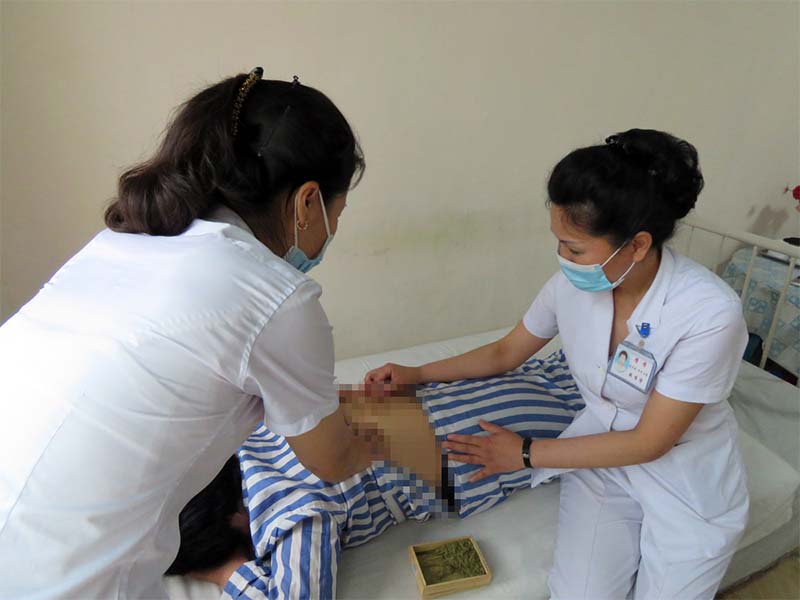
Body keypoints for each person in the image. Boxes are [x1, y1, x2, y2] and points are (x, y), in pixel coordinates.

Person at [0, 68, 374, 598]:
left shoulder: (118, 244)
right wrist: (391, 435)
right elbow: (332, 460)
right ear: (308, 202)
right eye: (339, 211)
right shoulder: (276, 299)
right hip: (63, 578)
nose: (333, 229)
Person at [365, 129, 749, 599]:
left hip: (683, 477)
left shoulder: (709, 312)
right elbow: (506, 352)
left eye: (575, 249)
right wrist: (418, 373)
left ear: (637, 245)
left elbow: (651, 441)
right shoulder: (572, 285)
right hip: (601, 460)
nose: (562, 258)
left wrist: (525, 454)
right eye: (559, 242)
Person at [166, 350, 582, 599]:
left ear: (231, 523)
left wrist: (224, 571)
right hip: (435, 402)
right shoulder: (246, 436)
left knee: (575, 421)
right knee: (560, 382)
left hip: (461, 448)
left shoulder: (291, 515)